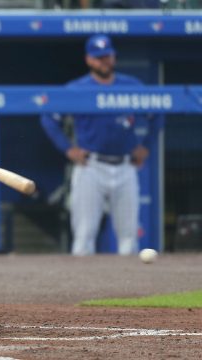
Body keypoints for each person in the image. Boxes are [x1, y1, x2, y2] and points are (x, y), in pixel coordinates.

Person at [40, 34, 163, 256]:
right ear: (89, 60)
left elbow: (158, 113)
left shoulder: (131, 86)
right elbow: (48, 117)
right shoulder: (76, 89)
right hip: (91, 166)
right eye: (98, 58)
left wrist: (146, 145)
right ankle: (83, 289)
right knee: (85, 234)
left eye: (107, 56)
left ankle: (132, 289)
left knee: (128, 236)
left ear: (114, 57)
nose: (104, 61)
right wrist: (68, 149)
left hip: (126, 165)